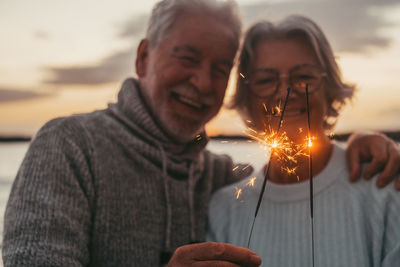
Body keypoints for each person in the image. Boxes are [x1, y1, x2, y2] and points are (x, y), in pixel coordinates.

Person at [2, 0, 399, 266]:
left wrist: (364, 145)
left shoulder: (219, 178)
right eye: (187, 57)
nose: (202, 81)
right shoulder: (70, 146)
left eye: (220, 67)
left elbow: (291, 179)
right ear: (143, 57)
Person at [207, 15, 400, 266]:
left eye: (304, 77)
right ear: (246, 98)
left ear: (330, 89)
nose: (286, 93)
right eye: (266, 80)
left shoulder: (385, 191)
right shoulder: (223, 210)